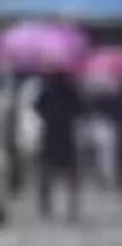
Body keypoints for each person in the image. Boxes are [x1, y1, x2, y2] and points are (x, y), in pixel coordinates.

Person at [33, 71, 85, 221]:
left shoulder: (46, 89)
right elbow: (81, 108)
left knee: (47, 174)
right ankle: (72, 209)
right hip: (66, 134)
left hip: (50, 134)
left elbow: (36, 107)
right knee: (70, 175)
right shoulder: (71, 89)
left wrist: (46, 116)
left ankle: (46, 205)